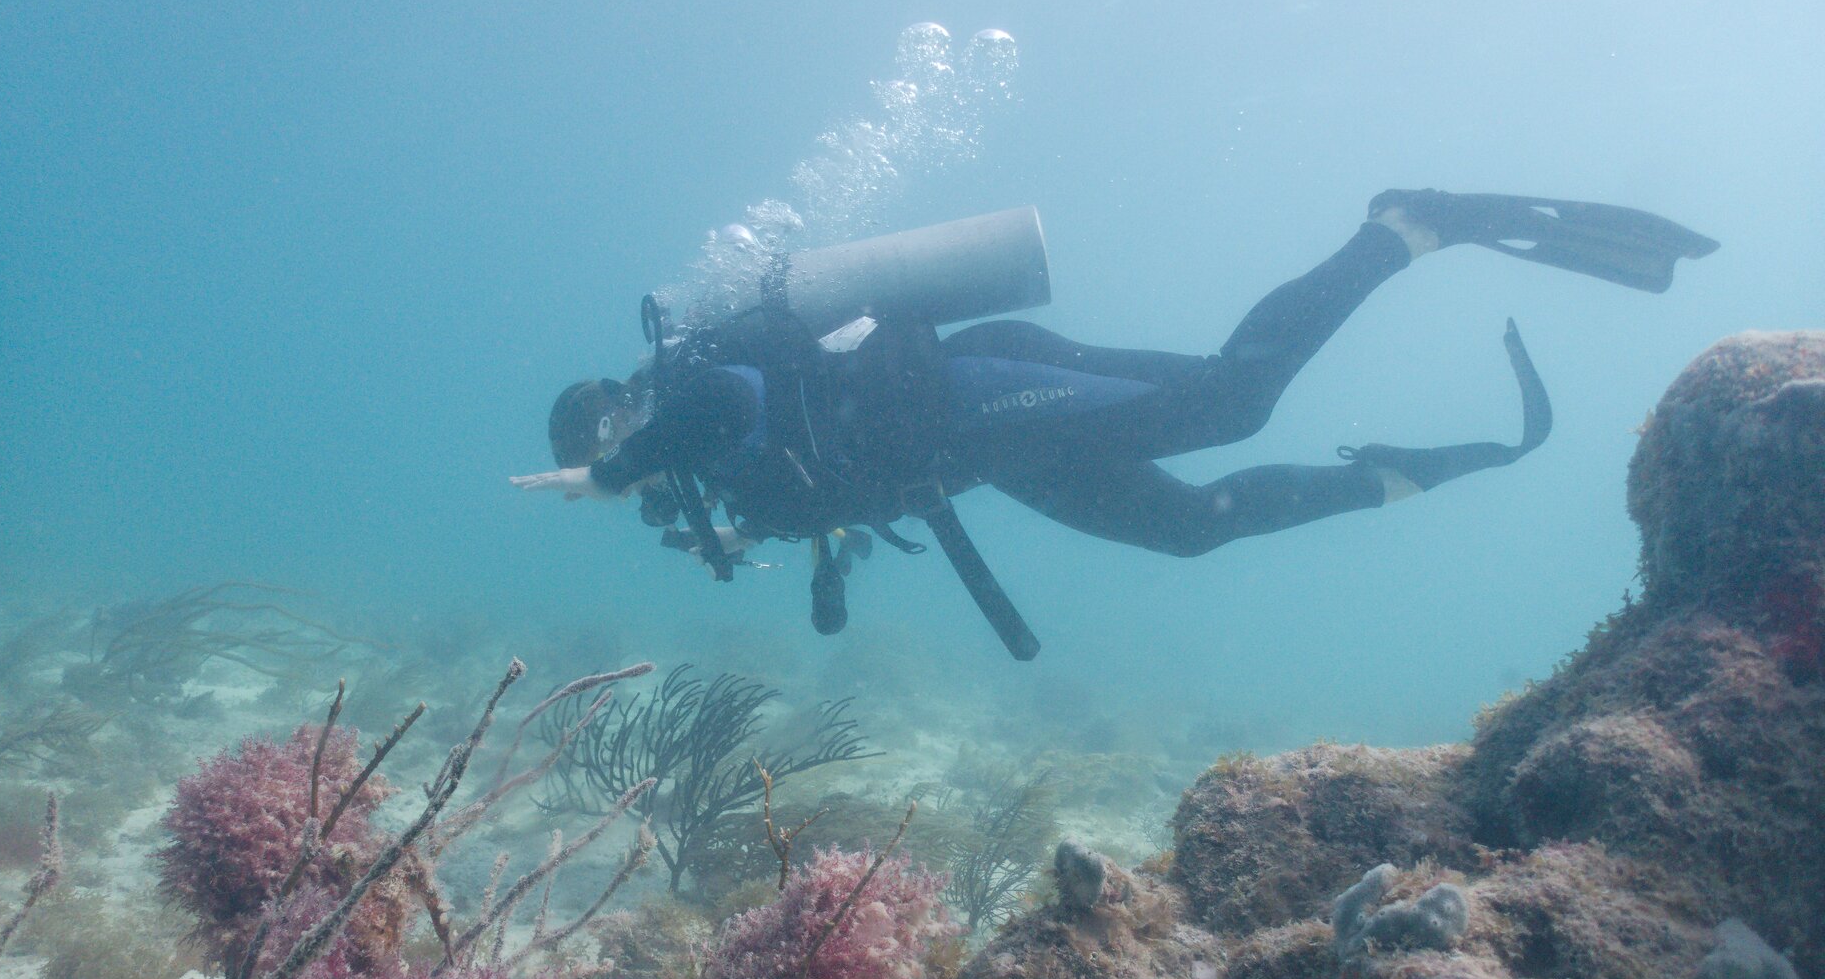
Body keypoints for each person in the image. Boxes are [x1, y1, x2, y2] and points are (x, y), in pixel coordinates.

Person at [516, 190, 1717, 659]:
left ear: (623, 404)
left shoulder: (693, 395)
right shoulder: (700, 462)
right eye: (610, 439)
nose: (625, 444)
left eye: (614, 425)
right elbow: (815, 471)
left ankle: (1399, 226)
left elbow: (739, 402)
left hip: (982, 392)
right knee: (1194, 529)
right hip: (985, 455)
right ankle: (1392, 478)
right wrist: (826, 572)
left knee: (1229, 398)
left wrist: (623, 460)